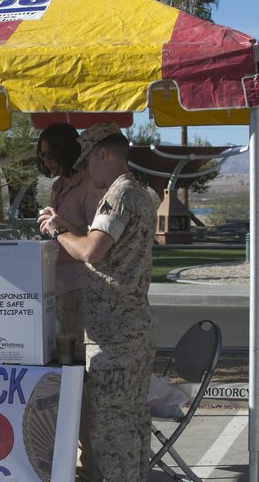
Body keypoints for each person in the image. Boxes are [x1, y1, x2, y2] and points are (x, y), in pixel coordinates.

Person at [38, 123, 156, 482]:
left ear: (102, 154)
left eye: (87, 161)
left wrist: (58, 229)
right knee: (133, 425)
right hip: (130, 329)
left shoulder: (119, 195)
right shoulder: (139, 193)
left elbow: (91, 251)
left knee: (110, 433)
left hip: (114, 336)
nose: (85, 170)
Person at [36, 123, 104, 482]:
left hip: (79, 292)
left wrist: (59, 226)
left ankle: (90, 469)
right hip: (55, 294)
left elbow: (95, 244)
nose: (46, 161)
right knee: (62, 380)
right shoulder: (58, 185)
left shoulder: (88, 187)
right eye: (42, 154)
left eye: (52, 154)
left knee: (82, 383)